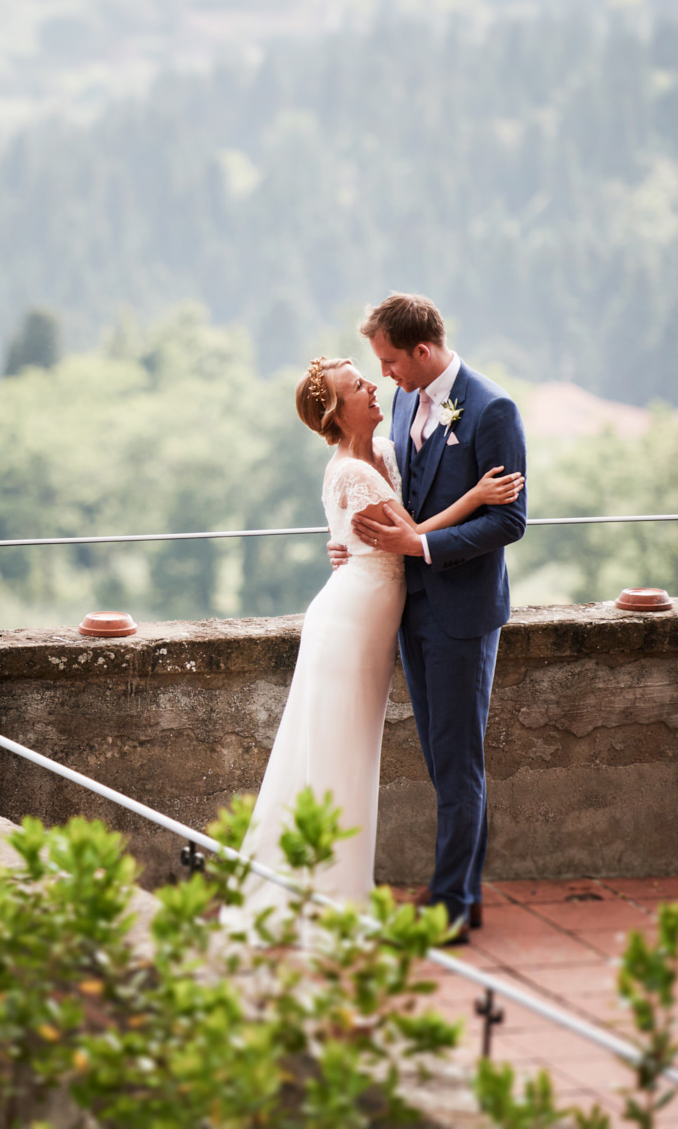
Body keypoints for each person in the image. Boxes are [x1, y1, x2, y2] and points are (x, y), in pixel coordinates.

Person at [227, 350, 523, 933]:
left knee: (359, 752)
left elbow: (384, 529)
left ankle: (369, 890)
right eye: (358, 385)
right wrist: (475, 498)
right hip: (350, 623)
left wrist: (345, 541)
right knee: (337, 752)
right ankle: (325, 894)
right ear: (337, 414)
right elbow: (408, 535)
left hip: (381, 613)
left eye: (369, 376)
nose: (373, 385)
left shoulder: (384, 452)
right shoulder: (353, 471)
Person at [336, 292, 528, 945]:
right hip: (408, 609)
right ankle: (462, 897)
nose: (384, 374)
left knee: (458, 765)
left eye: (390, 361)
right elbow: (400, 499)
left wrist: (420, 547)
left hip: (461, 614)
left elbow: (508, 521)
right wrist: (353, 540)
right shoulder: (404, 399)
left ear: (422, 350)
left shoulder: (492, 409)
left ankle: (449, 907)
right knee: (442, 761)